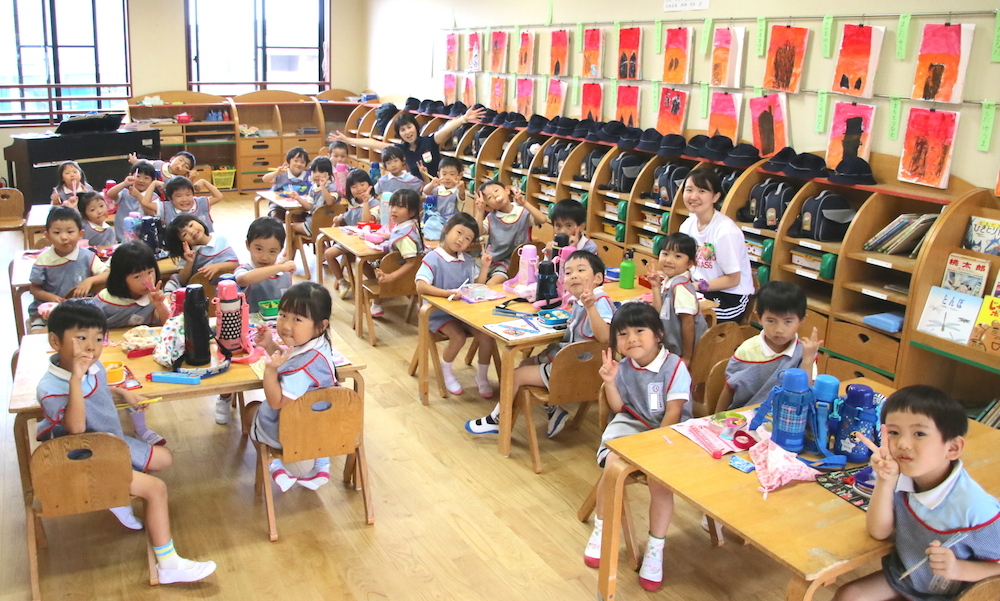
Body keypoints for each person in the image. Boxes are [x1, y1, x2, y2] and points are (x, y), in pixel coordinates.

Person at [36, 300, 215, 584]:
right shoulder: (51, 386)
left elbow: (96, 387)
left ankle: (119, 494)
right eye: (81, 338)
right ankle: (168, 564)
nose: (91, 347)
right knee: (156, 490)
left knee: (164, 458)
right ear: (55, 341)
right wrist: (74, 380)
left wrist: (122, 392)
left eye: (98, 338)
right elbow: (76, 427)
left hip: (109, 444)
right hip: (82, 459)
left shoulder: (91, 368)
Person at [832, 386, 1000, 601]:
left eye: (919, 433)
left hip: (957, 595)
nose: (902, 444)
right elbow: (879, 531)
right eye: (893, 432)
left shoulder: (976, 508)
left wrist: (959, 569)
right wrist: (885, 480)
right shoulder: (903, 475)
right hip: (907, 578)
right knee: (849, 596)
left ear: (953, 448)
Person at [584, 302, 692, 592]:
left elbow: (672, 415)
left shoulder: (675, 367)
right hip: (632, 422)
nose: (631, 339)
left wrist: (651, 452)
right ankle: (602, 527)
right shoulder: (622, 366)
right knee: (612, 465)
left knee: (660, 483)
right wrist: (609, 382)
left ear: (658, 334)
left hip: (668, 431)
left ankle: (655, 549)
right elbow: (620, 408)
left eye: (639, 331)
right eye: (622, 334)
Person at [466, 251, 614, 438]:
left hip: (577, 370)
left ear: (598, 278)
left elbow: (605, 337)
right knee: (526, 364)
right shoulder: (581, 301)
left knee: (515, 375)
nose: (573, 275)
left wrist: (591, 307)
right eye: (568, 272)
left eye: (581, 270)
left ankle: (496, 420)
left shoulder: (598, 301)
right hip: (571, 363)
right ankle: (554, 410)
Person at [251, 282, 339, 492]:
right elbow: (289, 359)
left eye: (297, 319)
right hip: (320, 422)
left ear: (321, 325)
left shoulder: (303, 368)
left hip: (297, 429)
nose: (286, 325)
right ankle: (320, 463)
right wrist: (271, 345)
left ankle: (274, 463)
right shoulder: (319, 344)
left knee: (251, 413)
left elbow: (276, 401)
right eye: (283, 315)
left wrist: (270, 371)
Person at [414, 213, 495, 397]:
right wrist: (447, 293)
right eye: (458, 233)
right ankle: (447, 371)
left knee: (487, 336)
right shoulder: (433, 258)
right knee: (457, 337)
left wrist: (484, 267)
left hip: (464, 313)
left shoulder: (466, 260)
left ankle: (482, 377)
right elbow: (420, 286)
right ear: (447, 230)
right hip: (438, 314)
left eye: (467, 238)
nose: (461, 240)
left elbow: (477, 286)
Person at [717, 281, 822, 411]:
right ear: (759, 318)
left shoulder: (804, 351)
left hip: (788, 418)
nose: (779, 329)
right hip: (747, 417)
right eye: (771, 321)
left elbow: (806, 395)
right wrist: (716, 420)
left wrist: (808, 359)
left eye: (788, 321)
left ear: (801, 321)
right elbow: (729, 388)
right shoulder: (747, 350)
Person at [678, 169, 754, 322]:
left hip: (730, 297)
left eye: (702, 191)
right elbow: (686, 265)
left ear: (716, 197)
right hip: (699, 289)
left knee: (691, 318)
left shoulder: (725, 231)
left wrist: (696, 286)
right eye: (689, 190)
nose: (693, 196)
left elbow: (733, 280)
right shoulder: (687, 225)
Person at [329, 105, 486, 179]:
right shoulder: (401, 149)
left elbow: (446, 129)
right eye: (403, 130)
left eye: (409, 127)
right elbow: (374, 143)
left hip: (439, 187)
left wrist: (464, 118)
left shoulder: (429, 141)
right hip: (417, 189)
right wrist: (346, 139)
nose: (407, 132)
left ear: (415, 127)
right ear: (399, 134)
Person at [28, 207, 109, 332]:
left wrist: (89, 281)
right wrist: (50, 297)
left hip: (80, 312)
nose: (64, 237)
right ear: (47, 236)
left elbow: (107, 274)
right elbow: (34, 288)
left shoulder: (87, 256)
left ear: (80, 234)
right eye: (57, 233)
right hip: (48, 312)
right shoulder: (43, 260)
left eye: (70, 232)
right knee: (38, 336)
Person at [646, 232, 707, 363]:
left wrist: (687, 357)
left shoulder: (681, 286)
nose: (669, 260)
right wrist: (655, 286)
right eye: (665, 254)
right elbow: (659, 312)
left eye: (678, 256)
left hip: (683, 352)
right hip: (673, 350)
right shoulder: (670, 281)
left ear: (690, 263)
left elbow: (688, 322)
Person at [475, 179, 549, 285]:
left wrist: (524, 203)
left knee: (491, 285)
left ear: (507, 191)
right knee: (473, 281)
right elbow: (478, 232)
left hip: (512, 263)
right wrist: (480, 211)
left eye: (496, 191)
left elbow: (542, 219)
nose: (495, 196)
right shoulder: (491, 218)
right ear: (488, 206)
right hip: (490, 260)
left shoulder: (522, 212)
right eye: (490, 197)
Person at [367, 189, 425, 317]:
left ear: (412, 212)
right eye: (392, 205)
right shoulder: (408, 226)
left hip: (402, 276)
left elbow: (411, 262)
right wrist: (387, 237)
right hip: (408, 276)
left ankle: (376, 303)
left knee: (366, 263)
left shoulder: (405, 238)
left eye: (400, 207)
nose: (393, 210)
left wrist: (391, 277)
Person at [92, 240, 170, 328]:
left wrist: (159, 305)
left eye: (150, 272)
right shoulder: (104, 302)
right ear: (121, 278)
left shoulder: (154, 297)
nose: (146, 281)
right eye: (137, 277)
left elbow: (170, 326)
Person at [325, 169, 378, 298]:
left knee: (360, 260)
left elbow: (367, 221)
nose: (359, 189)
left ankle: (375, 286)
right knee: (329, 254)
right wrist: (341, 217)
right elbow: (351, 215)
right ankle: (342, 281)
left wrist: (366, 202)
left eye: (362, 184)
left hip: (368, 241)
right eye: (354, 186)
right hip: (352, 239)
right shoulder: (353, 202)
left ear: (370, 185)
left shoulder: (376, 204)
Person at [163, 214, 238, 289]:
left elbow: (235, 264)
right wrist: (190, 262)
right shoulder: (189, 253)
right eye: (184, 234)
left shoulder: (220, 240)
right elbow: (183, 281)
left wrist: (217, 267)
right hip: (200, 290)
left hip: (226, 286)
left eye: (191, 225)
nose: (191, 231)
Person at [139, 175, 223, 232]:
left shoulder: (200, 203)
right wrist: (154, 184)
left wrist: (204, 182)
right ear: (170, 199)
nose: (184, 199)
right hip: (179, 248)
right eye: (178, 196)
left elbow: (218, 196)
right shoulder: (166, 208)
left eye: (188, 194)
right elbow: (145, 202)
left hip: (205, 246)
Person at [106, 160, 161, 242]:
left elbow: (152, 213)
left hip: (144, 240)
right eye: (138, 176)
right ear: (131, 176)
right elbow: (110, 194)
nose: (141, 180)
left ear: (153, 181)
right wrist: (124, 183)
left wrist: (138, 195)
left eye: (146, 178)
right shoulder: (125, 192)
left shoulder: (154, 197)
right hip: (122, 238)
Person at [290, 156, 339, 238]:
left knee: (290, 227)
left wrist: (323, 186)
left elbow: (329, 202)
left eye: (321, 171)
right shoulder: (313, 188)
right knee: (293, 221)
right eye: (314, 171)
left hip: (326, 223)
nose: (317, 175)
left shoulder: (332, 187)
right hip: (314, 221)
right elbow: (310, 207)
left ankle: (289, 250)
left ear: (329, 174)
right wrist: (298, 198)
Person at [263, 146, 311, 220]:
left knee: (296, 218)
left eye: (302, 162)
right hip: (279, 205)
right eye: (296, 161)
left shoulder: (308, 176)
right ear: (288, 162)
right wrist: (276, 173)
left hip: (299, 206)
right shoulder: (282, 173)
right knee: (275, 216)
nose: (299, 164)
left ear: (306, 165)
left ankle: (293, 230)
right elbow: (264, 179)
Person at [421, 156, 467, 223]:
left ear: (460, 175)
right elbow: (425, 191)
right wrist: (431, 185)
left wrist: (461, 188)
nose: (447, 177)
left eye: (452, 174)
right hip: (433, 224)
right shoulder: (438, 188)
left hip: (450, 226)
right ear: (439, 175)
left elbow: (462, 195)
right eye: (444, 174)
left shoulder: (457, 191)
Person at [129, 150, 196, 181]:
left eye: (186, 166)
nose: (181, 165)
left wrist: (191, 178)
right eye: (180, 160)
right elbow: (146, 162)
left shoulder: (179, 180)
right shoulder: (159, 164)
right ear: (172, 159)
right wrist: (136, 161)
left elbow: (185, 188)